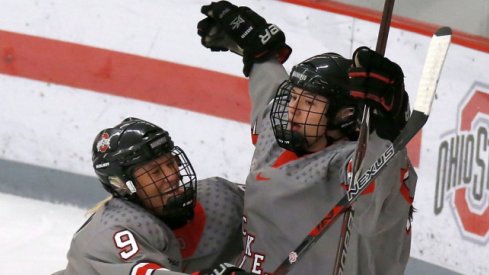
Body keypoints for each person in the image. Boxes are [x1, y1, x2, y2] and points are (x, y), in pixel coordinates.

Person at [198, 2, 416, 274]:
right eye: (294, 96)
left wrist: (386, 127)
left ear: (344, 114)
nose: (293, 109)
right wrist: (261, 53)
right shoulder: (281, 130)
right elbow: (272, 87)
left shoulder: (346, 164)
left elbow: (377, 172)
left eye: (310, 103)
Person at [54, 117, 252, 275]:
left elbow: (272, 205)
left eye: (170, 163)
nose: (172, 175)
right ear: (123, 185)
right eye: (155, 172)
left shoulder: (221, 198)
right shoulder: (115, 229)